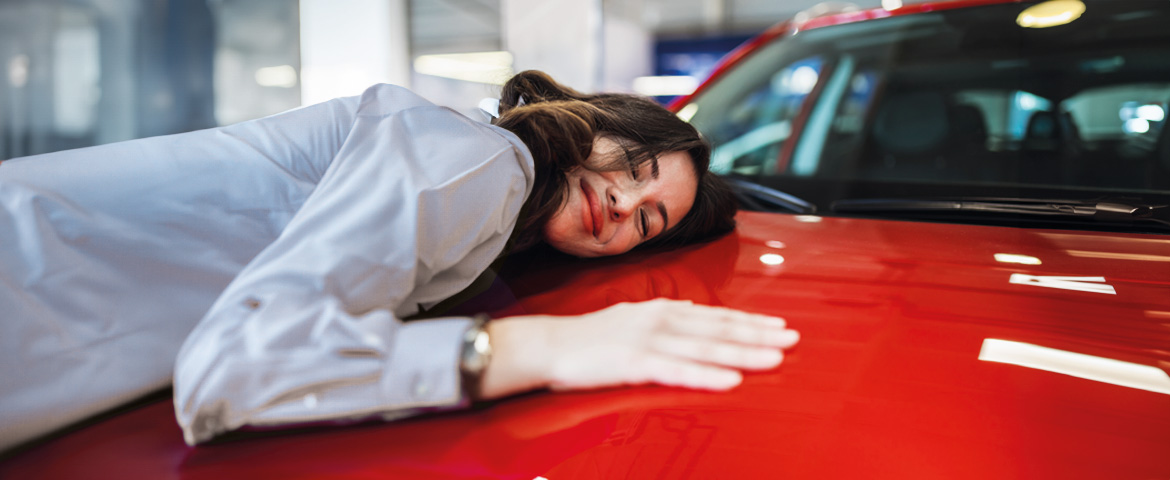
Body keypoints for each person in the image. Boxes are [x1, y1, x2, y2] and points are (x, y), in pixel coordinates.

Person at [0, 70, 800, 450]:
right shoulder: (482, 159)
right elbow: (234, 368)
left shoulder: (493, 201)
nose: (624, 206)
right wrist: (543, 346)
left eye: (648, 221)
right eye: (634, 168)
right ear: (597, 122)